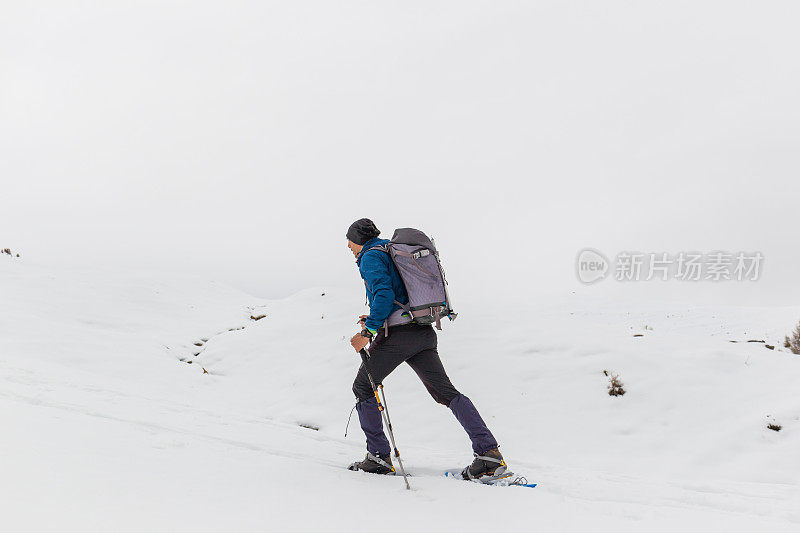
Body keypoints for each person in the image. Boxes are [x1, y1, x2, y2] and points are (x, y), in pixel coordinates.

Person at [345, 218, 507, 481]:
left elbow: (385, 295)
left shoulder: (369, 257)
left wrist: (368, 332)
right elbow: (397, 296)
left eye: (349, 242)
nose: (349, 247)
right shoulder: (390, 250)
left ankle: (378, 458)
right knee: (446, 393)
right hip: (422, 332)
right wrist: (376, 319)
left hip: (398, 336)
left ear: (358, 239)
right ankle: (489, 454)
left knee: (363, 386)